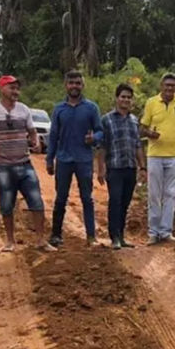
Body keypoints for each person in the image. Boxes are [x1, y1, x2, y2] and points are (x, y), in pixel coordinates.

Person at [0, 75, 56, 253]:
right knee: (6, 205)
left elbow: (32, 132)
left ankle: (40, 240)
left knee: (37, 202)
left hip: (25, 163)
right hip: (3, 166)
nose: (16, 92)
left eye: (17, 89)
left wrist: (35, 142)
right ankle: (10, 242)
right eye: (12, 88)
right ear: (2, 88)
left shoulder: (24, 109)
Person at [46, 70, 103, 247]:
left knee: (87, 198)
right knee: (61, 198)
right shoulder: (58, 109)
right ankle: (56, 235)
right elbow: (53, 135)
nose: (74, 86)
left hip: (84, 160)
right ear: (66, 85)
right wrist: (49, 159)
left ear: (82, 85)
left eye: (78, 83)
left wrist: (94, 138)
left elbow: (100, 131)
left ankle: (91, 236)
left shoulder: (91, 108)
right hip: (63, 160)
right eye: (71, 83)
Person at [140, 73, 175, 245]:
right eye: (167, 85)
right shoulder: (151, 103)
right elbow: (143, 127)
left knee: (171, 194)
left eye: (173, 85)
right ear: (161, 85)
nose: (170, 88)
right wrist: (150, 134)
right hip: (155, 154)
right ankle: (153, 232)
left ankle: (166, 231)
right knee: (154, 194)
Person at [97, 84, 146, 250]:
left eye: (128, 97)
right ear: (117, 98)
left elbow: (138, 145)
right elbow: (102, 145)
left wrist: (142, 167)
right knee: (115, 201)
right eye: (123, 96)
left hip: (130, 167)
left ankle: (122, 235)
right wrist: (101, 168)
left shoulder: (134, 120)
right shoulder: (106, 119)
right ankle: (114, 237)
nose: (125, 100)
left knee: (125, 202)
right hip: (115, 167)